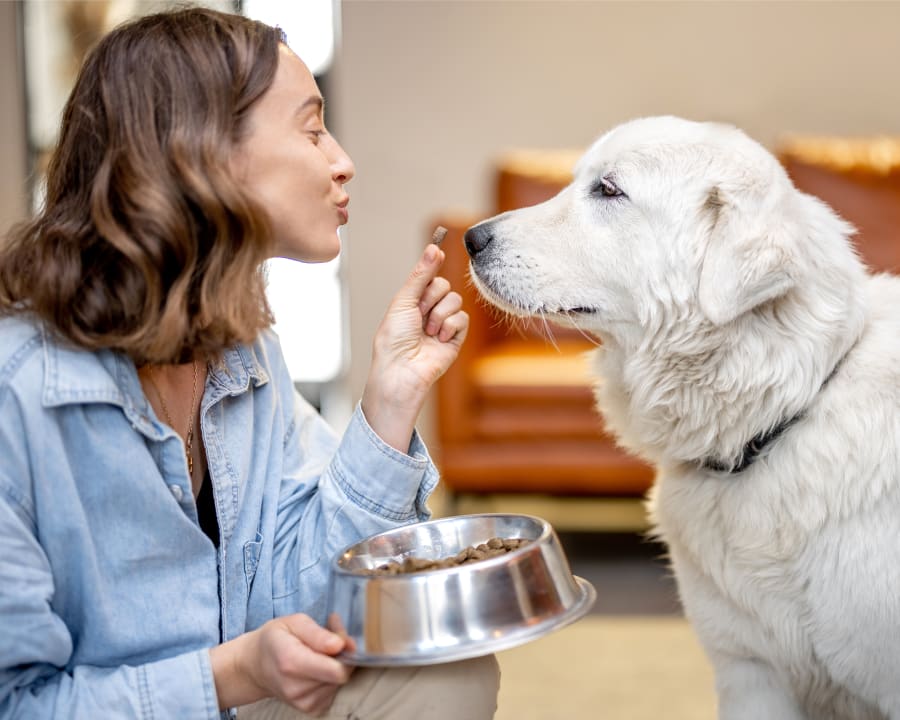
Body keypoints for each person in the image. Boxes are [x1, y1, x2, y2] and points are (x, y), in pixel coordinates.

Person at [0, 7, 499, 719]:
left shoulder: (241, 344)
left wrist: (389, 401)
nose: (341, 159)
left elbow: (306, 599)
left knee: (448, 673)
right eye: (311, 127)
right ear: (199, 151)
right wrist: (231, 675)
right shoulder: (16, 393)